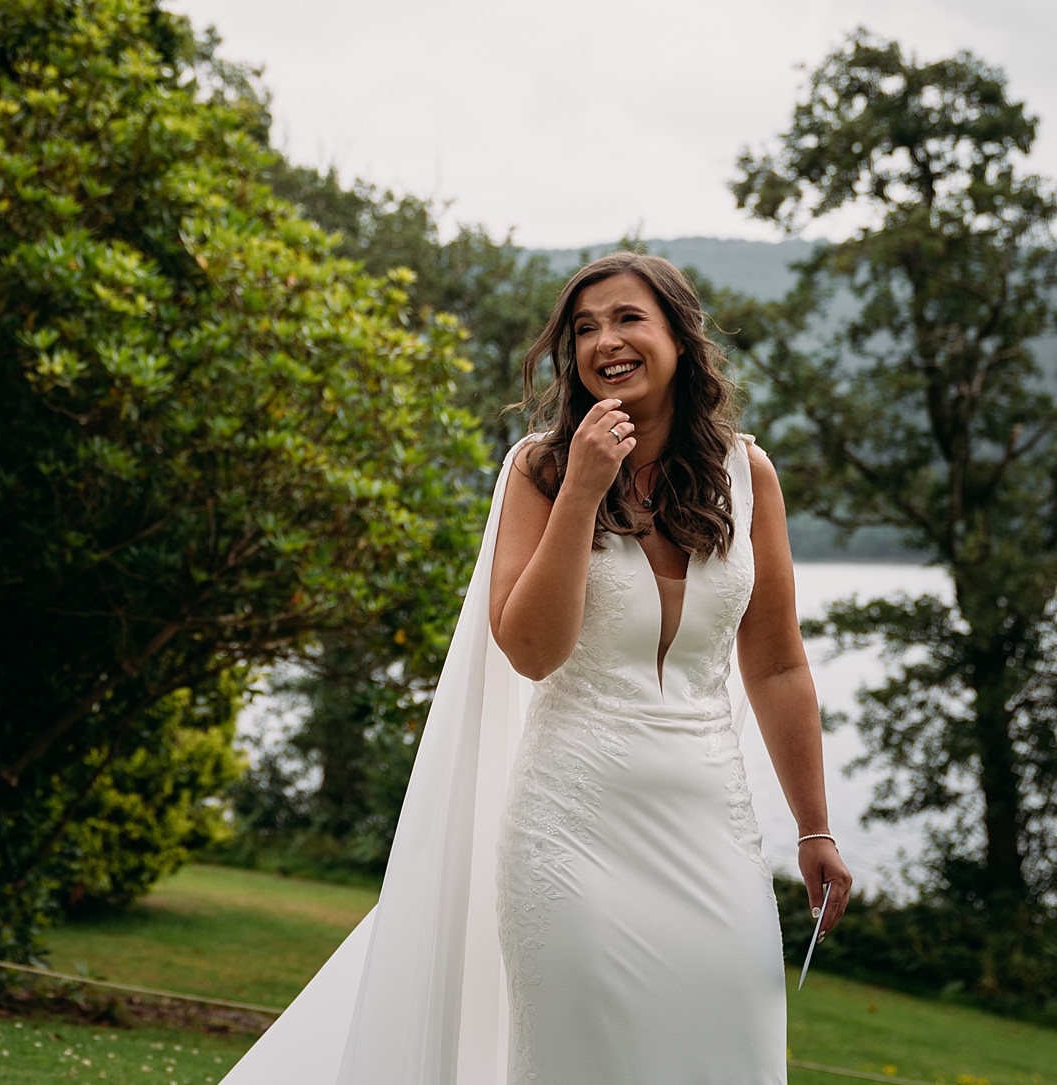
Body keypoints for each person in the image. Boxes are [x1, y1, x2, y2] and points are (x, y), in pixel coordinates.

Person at [223, 252, 852, 1085]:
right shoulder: (540, 469)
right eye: (584, 328)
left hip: (713, 831)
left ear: (680, 336)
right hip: (573, 831)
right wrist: (584, 491)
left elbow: (775, 666)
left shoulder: (749, 473)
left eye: (628, 317)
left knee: (729, 1046)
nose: (605, 341)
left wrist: (813, 826)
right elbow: (530, 649)